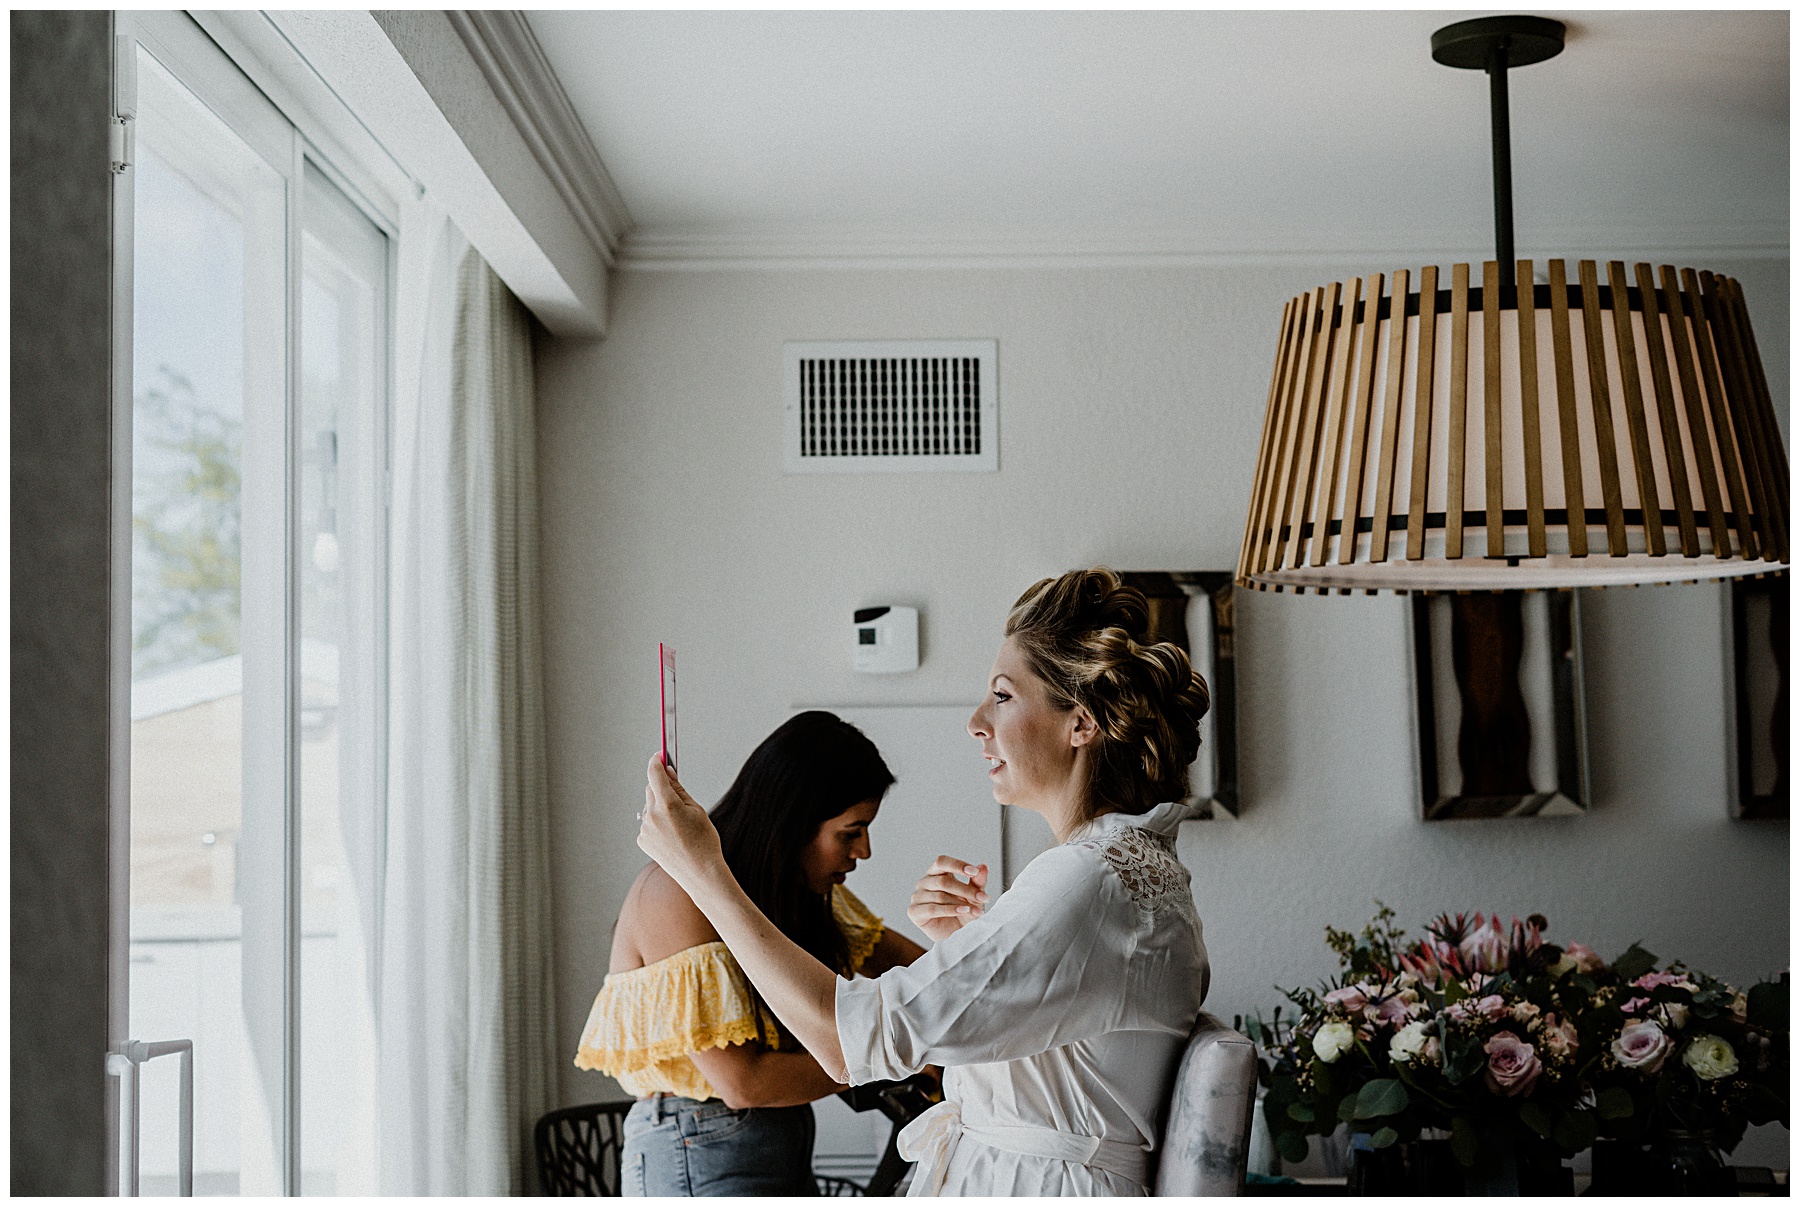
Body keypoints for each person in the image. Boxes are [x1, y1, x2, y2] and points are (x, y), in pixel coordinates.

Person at [638, 568, 1213, 1196]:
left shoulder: (1086, 879)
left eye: (1001, 695)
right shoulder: (1126, 867)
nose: (975, 721)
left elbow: (845, 1042)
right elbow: (1064, 1064)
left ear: (1080, 723)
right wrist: (967, 948)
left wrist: (704, 870)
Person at [577, 710, 929, 1196]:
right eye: (849, 832)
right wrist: (899, 1055)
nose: (863, 851)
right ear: (793, 823)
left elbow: (917, 969)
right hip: (698, 1149)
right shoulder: (676, 895)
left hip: (776, 1139)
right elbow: (745, 1082)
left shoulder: (792, 891)